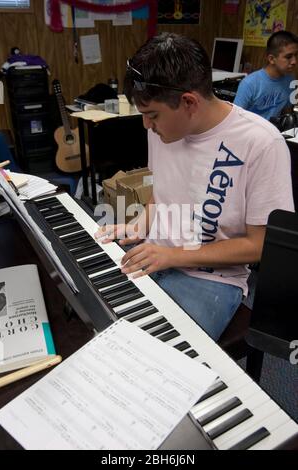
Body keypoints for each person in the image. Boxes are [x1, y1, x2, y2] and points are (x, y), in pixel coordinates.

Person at [95, 32, 294, 341]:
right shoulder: (162, 129)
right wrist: (138, 226)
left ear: (188, 102)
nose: (147, 126)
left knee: (155, 357)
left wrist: (173, 255)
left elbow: (259, 245)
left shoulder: (261, 143)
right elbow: (162, 193)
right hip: (155, 252)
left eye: (152, 115)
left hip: (211, 277)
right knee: (96, 322)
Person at [234, 30, 298, 120]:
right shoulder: (249, 83)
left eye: (296, 55)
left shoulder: (291, 80)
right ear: (271, 59)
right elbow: (235, 119)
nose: (294, 61)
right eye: (288, 57)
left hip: (274, 131)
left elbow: (286, 112)